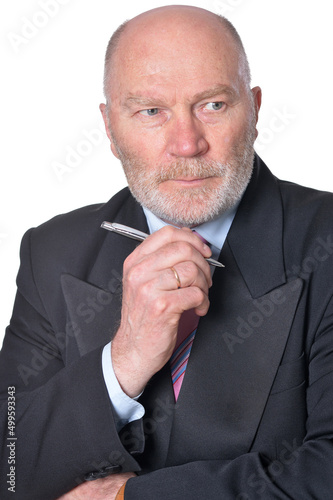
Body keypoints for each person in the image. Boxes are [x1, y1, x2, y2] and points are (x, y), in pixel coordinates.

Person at [1, 4, 333, 499]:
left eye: (213, 105)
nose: (186, 143)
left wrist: (127, 498)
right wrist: (122, 362)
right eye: (151, 111)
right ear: (111, 128)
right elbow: (9, 463)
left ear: (256, 110)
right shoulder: (50, 252)